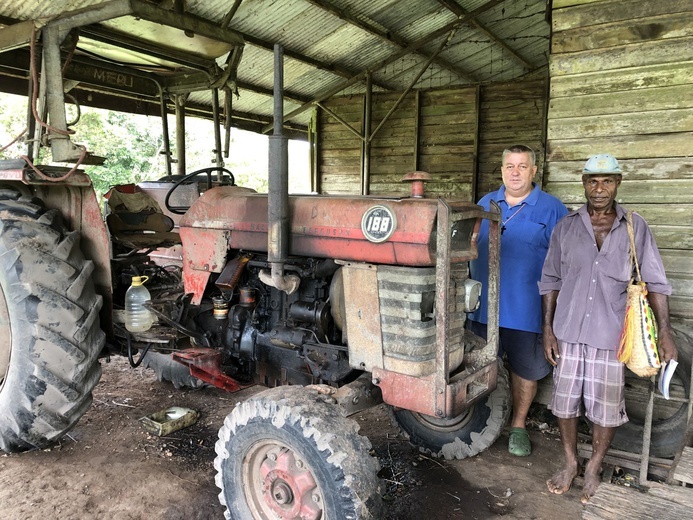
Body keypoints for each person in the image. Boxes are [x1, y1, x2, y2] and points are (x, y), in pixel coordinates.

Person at [539, 154, 677, 503]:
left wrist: (665, 332)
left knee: (606, 408)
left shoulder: (634, 226)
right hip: (568, 330)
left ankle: (594, 467)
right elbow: (550, 281)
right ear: (583, 183)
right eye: (592, 181)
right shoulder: (566, 227)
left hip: (612, 335)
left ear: (617, 183)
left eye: (607, 181)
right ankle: (571, 462)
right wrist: (548, 330)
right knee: (564, 404)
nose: (599, 189)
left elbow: (656, 281)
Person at [469, 144, 568, 457]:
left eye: (522, 166)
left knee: (524, 371)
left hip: (526, 311)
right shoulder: (486, 203)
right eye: (510, 166)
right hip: (482, 309)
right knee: (478, 367)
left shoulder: (552, 209)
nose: (515, 172)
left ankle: (519, 425)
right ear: (501, 170)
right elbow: (467, 245)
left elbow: (565, 261)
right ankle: (479, 423)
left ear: (533, 171)